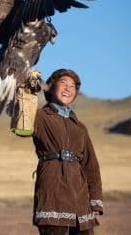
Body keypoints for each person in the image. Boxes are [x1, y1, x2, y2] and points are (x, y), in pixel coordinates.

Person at [32, 69, 103, 235]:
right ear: (50, 87)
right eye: (63, 82)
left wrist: (95, 201)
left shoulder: (80, 127)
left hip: (81, 197)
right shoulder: (40, 117)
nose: (68, 88)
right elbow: (21, 123)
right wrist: (27, 91)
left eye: (73, 86)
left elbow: (91, 165)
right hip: (52, 190)